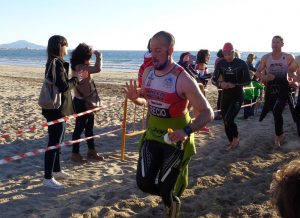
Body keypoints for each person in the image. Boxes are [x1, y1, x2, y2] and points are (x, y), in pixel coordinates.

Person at [124, 31, 214, 217]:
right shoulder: (148, 72)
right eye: (151, 51)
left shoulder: (183, 79)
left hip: (175, 139)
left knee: (167, 186)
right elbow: (147, 102)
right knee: (144, 183)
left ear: (170, 50)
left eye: (158, 51)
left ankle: (170, 202)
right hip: (153, 134)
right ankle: (170, 198)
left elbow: (208, 113)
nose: (153, 56)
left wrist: (185, 131)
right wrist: (135, 99)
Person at [41, 35, 88, 189]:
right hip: (56, 110)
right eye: (66, 45)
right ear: (60, 46)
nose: (68, 48)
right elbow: (63, 86)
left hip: (60, 109)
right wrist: (77, 78)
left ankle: (57, 170)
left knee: (58, 142)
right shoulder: (56, 63)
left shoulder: (56, 62)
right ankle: (48, 178)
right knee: (54, 143)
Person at [255, 35, 299, 146]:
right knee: (275, 112)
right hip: (271, 88)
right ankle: (280, 135)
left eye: (277, 42)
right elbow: (257, 72)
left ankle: (278, 135)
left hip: (284, 87)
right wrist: (265, 77)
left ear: (282, 44)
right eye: (273, 42)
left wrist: (295, 81)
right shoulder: (266, 57)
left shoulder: (289, 57)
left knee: (276, 110)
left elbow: (294, 72)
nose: (275, 44)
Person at [212, 42, 251, 150]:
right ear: (223, 54)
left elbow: (248, 81)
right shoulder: (221, 63)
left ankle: (236, 138)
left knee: (229, 119)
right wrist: (221, 84)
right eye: (225, 54)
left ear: (233, 52)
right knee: (225, 120)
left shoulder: (242, 63)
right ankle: (231, 142)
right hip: (225, 95)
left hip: (237, 95)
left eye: (230, 54)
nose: (228, 57)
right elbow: (213, 79)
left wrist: (235, 85)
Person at [70, 43, 104, 163]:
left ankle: (91, 151)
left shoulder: (78, 66)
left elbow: (87, 76)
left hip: (85, 101)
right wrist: (99, 56)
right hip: (82, 103)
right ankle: (75, 153)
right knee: (79, 128)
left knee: (89, 128)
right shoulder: (80, 68)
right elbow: (98, 69)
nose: (90, 58)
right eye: (89, 56)